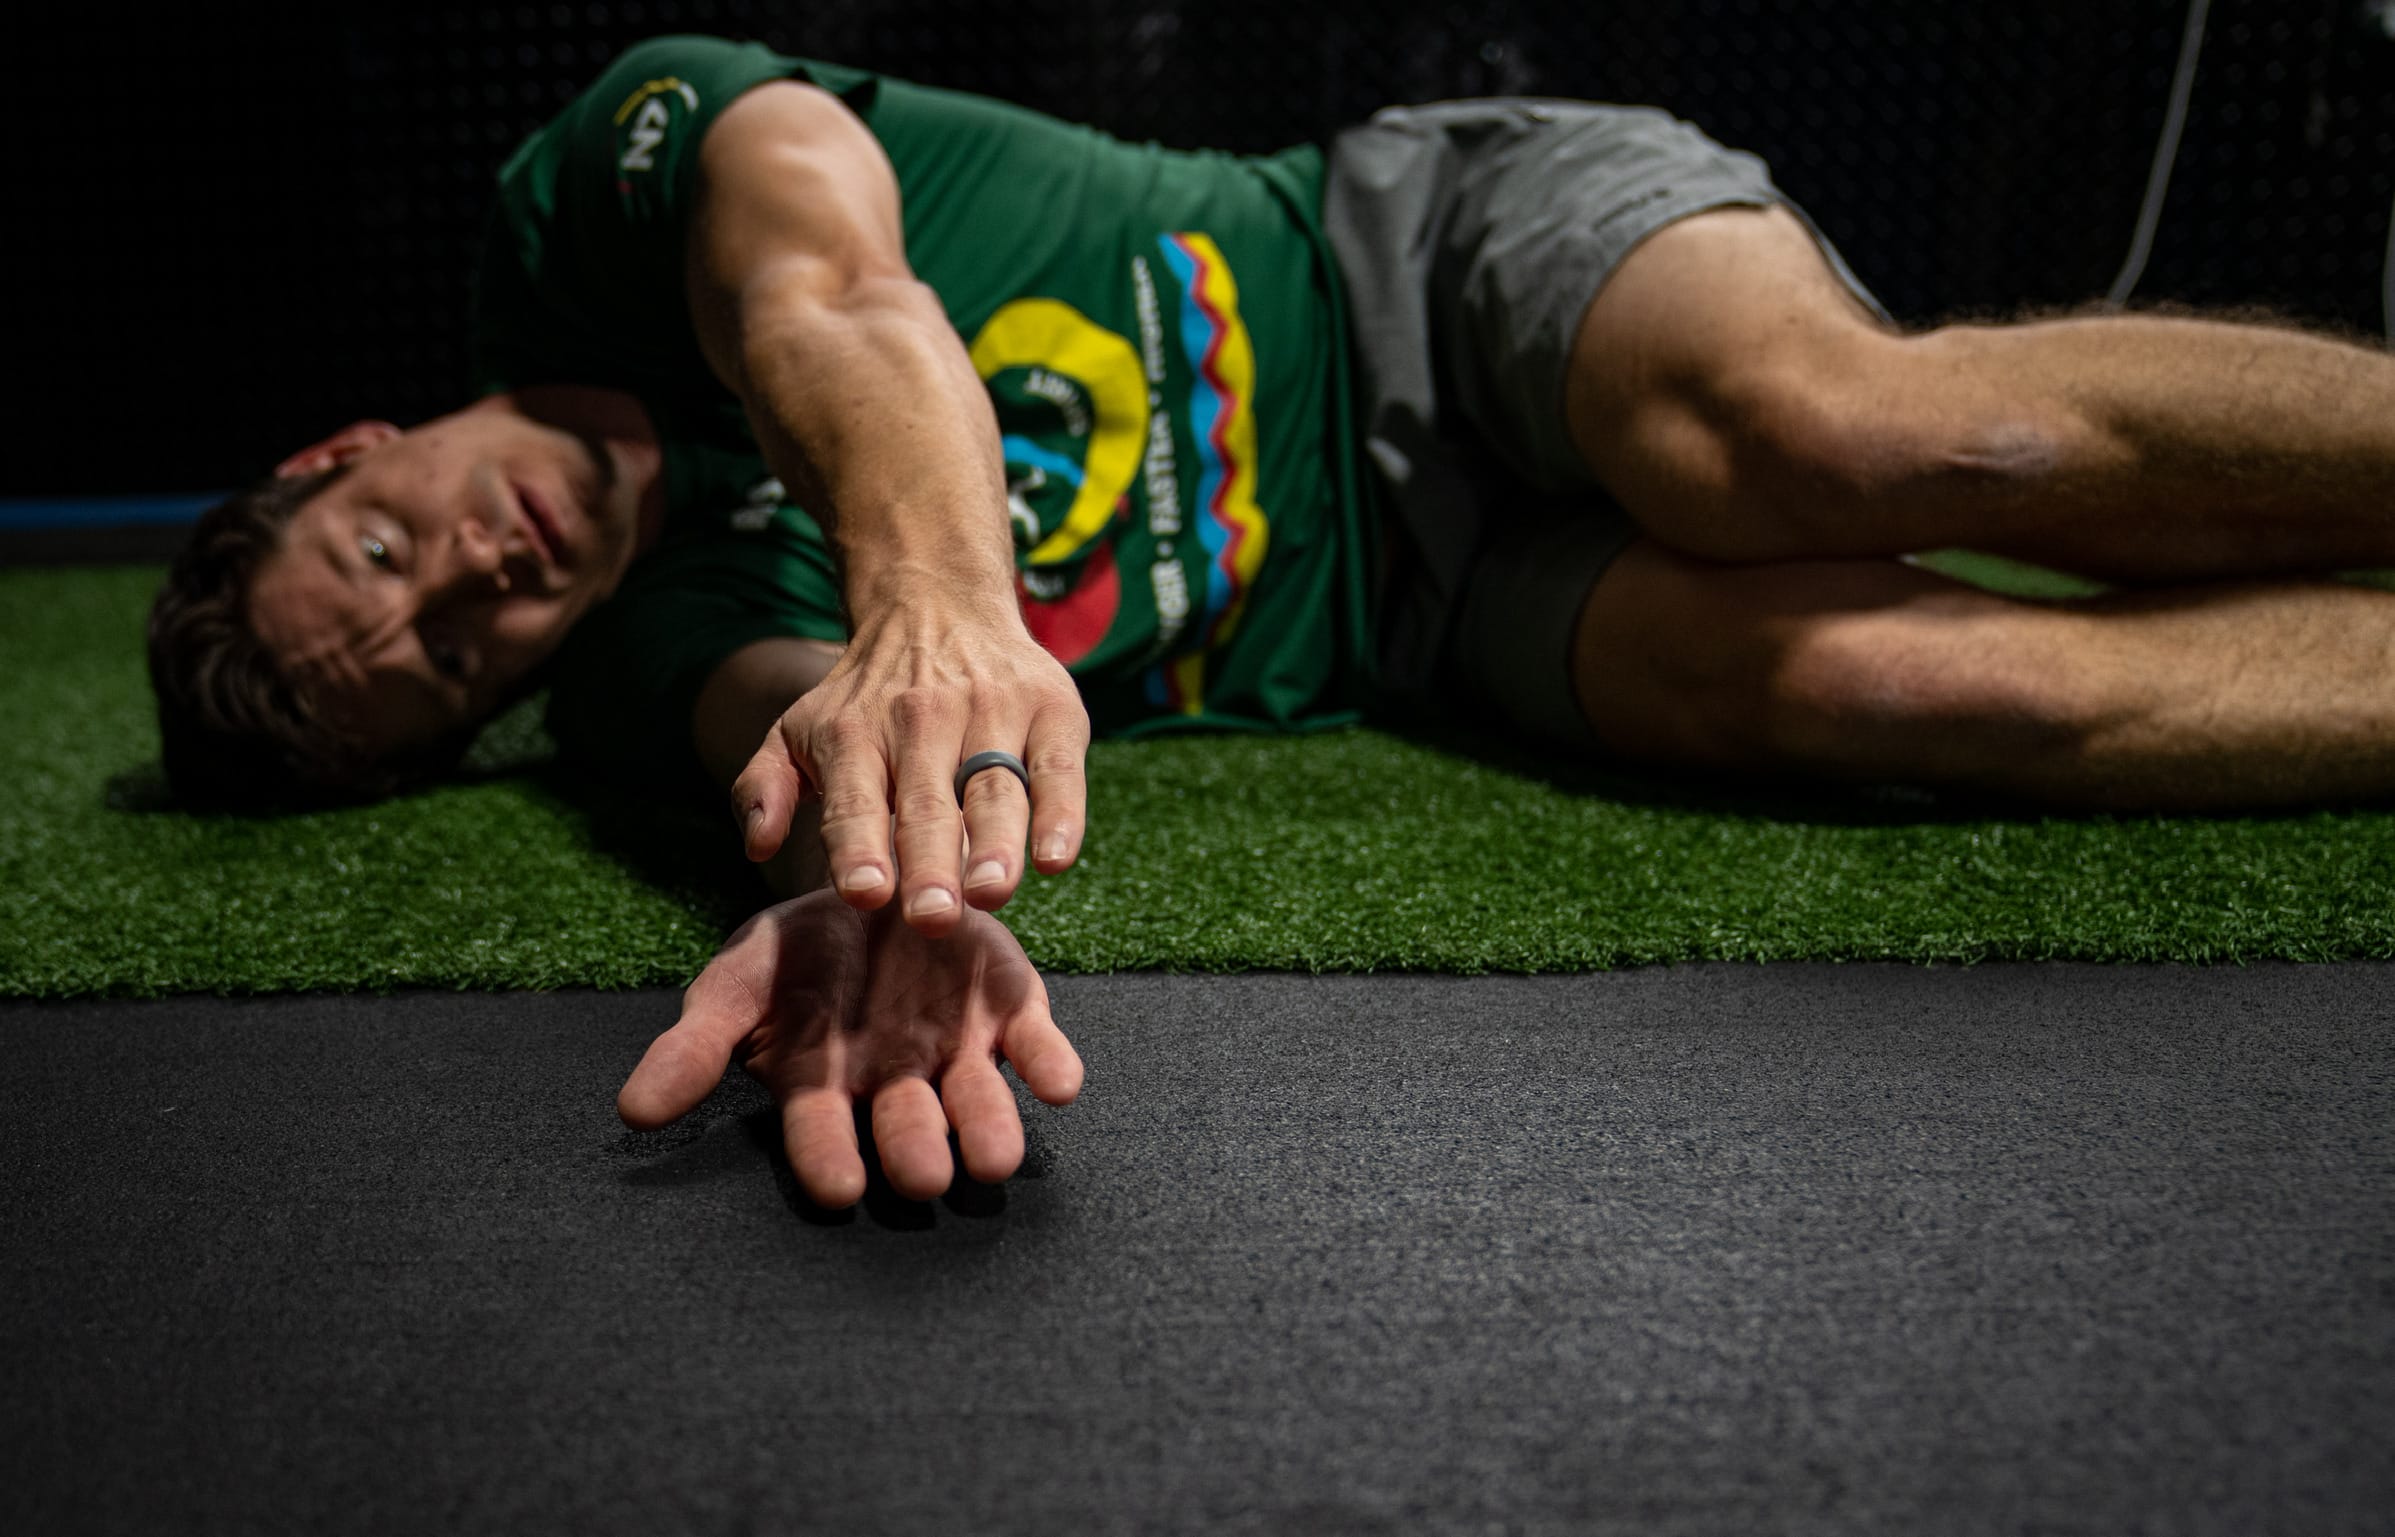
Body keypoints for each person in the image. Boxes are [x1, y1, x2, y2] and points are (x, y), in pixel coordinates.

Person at [149, 35, 2395, 1207]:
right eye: (443, 653)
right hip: (1423, 624)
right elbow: (801, 718)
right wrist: (884, 866)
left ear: (355, 448)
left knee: (1815, 433)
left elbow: (825, 285)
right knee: (1925, 680)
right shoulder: (634, 676)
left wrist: (934, 604)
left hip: (1408, 267)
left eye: (383, 552)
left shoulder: (594, 194)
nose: (476, 576)